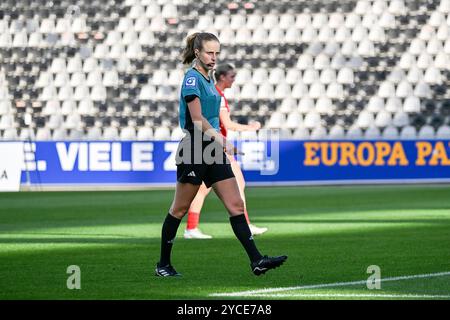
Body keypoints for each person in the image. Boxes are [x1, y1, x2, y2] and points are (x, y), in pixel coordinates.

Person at [155, 32, 287, 277]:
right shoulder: (192, 79)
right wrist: (221, 138)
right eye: (209, 52)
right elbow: (196, 119)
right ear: (197, 53)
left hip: (213, 149)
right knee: (179, 209)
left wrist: (219, 141)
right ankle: (163, 264)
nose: (214, 57)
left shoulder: (209, 77)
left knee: (236, 204)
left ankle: (257, 260)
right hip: (195, 148)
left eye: (217, 53)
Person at [184, 63, 268, 239]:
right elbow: (227, 124)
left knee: (203, 189)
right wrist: (250, 127)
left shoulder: (214, 94)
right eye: (232, 76)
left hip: (212, 145)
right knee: (233, 185)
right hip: (217, 146)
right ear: (222, 77)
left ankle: (191, 228)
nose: (234, 80)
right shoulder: (218, 96)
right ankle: (193, 228)